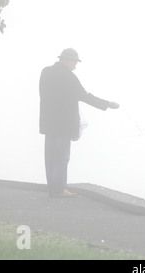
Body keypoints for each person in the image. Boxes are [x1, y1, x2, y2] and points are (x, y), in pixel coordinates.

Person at [39, 48, 120, 198]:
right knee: (61, 157)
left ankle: (53, 188)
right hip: (63, 124)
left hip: (48, 123)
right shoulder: (69, 77)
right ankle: (60, 189)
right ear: (69, 61)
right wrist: (107, 104)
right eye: (75, 63)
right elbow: (84, 96)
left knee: (50, 157)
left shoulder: (46, 72)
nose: (75, 66)